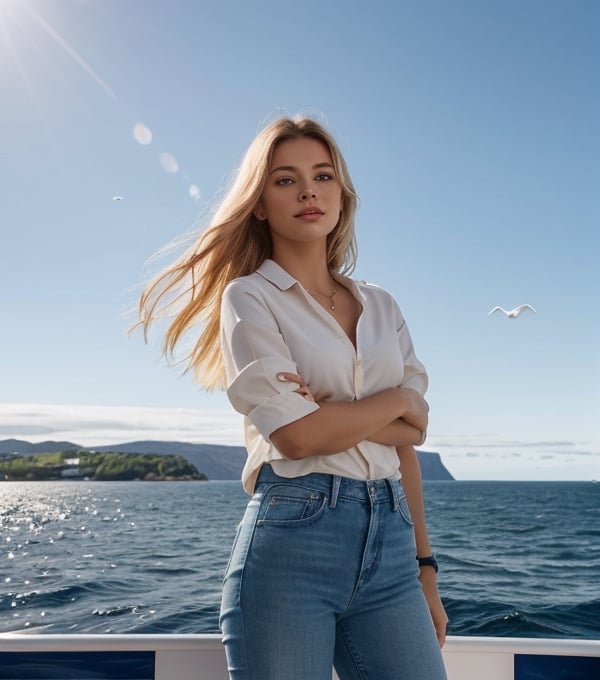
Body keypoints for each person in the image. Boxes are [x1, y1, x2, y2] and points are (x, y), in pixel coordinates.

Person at [137, 115, 448, 679]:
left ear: (341, 193)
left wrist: (426, 569)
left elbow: (413, 438)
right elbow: (297, 437)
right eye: (285, 180)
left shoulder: (383, 306)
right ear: (260, 203)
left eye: (323, 175)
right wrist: (396, 399)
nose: (308, 190)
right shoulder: (250, 298)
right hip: (292, 544)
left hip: (393, 548)